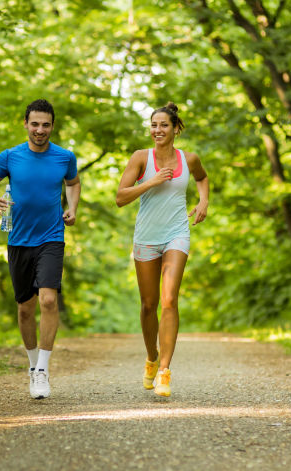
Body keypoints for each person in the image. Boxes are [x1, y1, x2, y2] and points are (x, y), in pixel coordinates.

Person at [0, 99, 81, 400]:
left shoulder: (64, 157)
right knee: (25, 309)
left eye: (45, 124)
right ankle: (32, 363)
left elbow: (73, 183)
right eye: (34, 124)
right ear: (25, 124)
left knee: (48, 301)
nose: (40, 130)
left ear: (52, 126)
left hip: (52, 237)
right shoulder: (10, 157)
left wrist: (72, 207)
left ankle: (42, 371)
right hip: (19, 240)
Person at [115, 102, 209, 397]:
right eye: (154, 125)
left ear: (175, 128)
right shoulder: (141, 158)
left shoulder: (189, 158)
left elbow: (202, 178)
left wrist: (203, 201)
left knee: (169, 299)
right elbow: (120, 197)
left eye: (164, 125)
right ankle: (152, 358)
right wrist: (151, 182)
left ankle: (165, 371)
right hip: (146, 236)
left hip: (176, 234)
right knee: (148, 304)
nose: (157, 130)